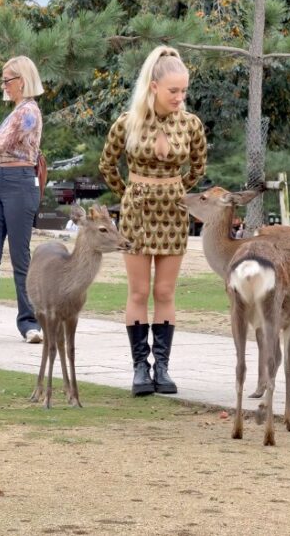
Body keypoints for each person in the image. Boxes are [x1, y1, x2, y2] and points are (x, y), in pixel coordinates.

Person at [99, 45, 207, 396]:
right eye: (173, 91)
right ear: (154, 87)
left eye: (184, 91)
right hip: (137, 212)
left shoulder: (191, 124)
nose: (180, 97)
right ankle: (139, 368)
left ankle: (162, 367)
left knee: (164, 291)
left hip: (173, 213)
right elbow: (107, 164)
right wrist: (128, 192)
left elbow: (199, 168)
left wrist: (175, 189)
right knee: (139, 290)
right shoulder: (127, 123)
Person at [0, 56, 44, 343]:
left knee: (20, 257)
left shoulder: (28, 112)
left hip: (19, 184)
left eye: (7, 80)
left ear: (22, 80)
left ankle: (30, 323)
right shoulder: (15, 112)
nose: (4, 85)